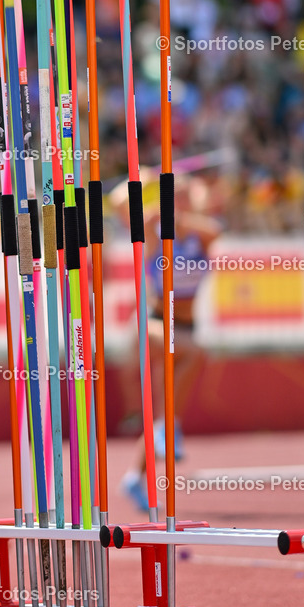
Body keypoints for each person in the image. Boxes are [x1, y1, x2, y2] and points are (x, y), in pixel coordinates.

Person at [120, 175, 221, 512]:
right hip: (153, 323)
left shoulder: (201, 237)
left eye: (183, 197)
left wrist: (184, 204)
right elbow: (122, 202)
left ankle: (136, 475)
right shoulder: (154, 233)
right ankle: (170, 428)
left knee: (163, 404)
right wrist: (147, 176)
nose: (177, 203)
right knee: (194, 353)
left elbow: (215, 228)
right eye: (173, 197)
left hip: (187, 326)